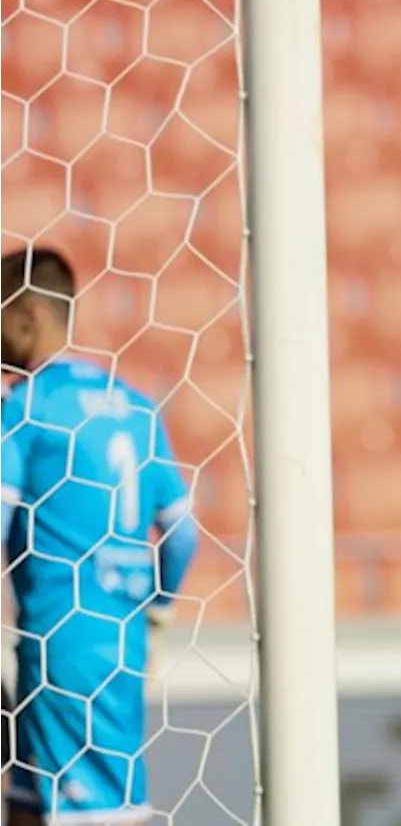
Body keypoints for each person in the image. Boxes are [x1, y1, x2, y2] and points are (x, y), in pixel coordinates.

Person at [0, 247, 199, 825]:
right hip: (122, 637)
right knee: (38, 804)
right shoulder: (136, 406)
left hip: (61, 642)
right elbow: (182, 534)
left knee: (89, 816)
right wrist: (156, 609)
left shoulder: (29, 407)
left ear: (26, 319)